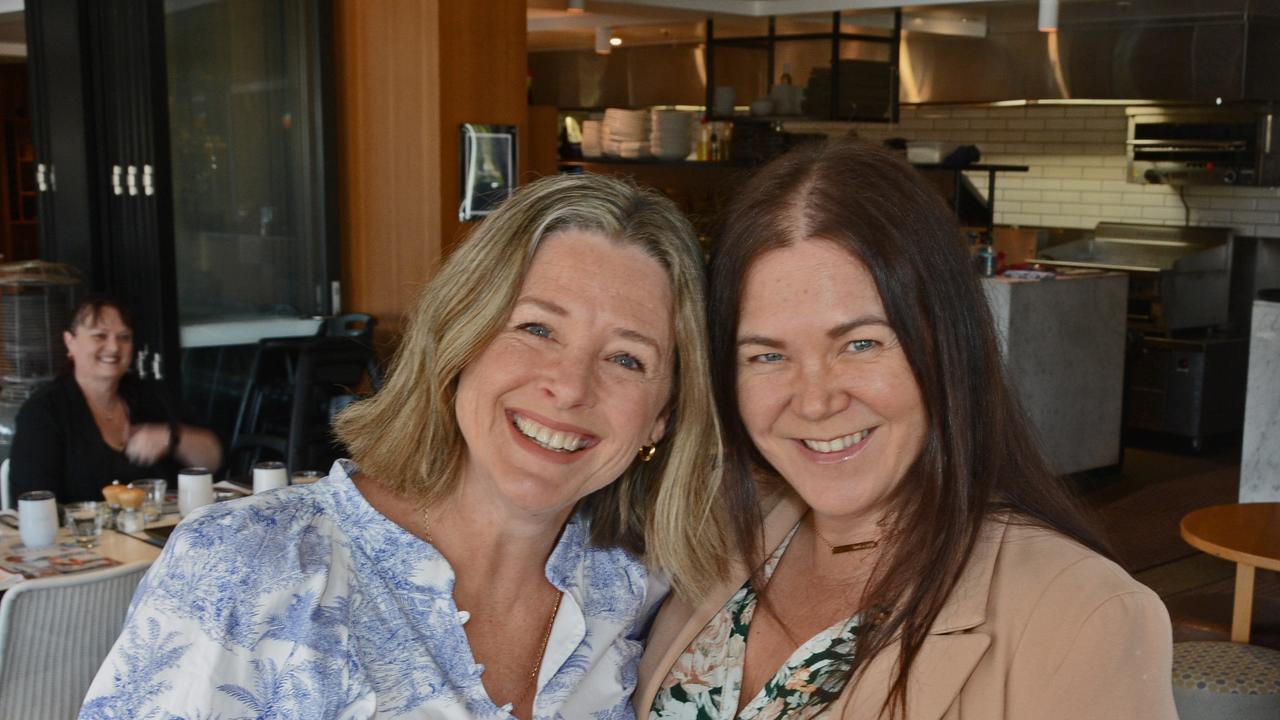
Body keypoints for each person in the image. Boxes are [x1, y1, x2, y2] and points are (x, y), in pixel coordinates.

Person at [83, 173, 727, 719]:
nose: (568, 387)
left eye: (626, 358)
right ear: (459, 340)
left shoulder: (635, 588)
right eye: (536, 327)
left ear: (662, 418)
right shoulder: (245, 567)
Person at [636, 140, 1177, 719]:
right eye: (767, 356)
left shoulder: (1083, 613)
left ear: (947, 344)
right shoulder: (709, 534)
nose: (816, 401)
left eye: (860, 343)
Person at [10, 297, 222, 503]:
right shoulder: (42, 412)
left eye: (124, 337)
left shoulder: (148, 395)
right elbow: (33, 505)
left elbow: (213, 460)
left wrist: (172, 437)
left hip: (160, 533)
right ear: (70, 342)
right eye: (100, 336)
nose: (113, 347)